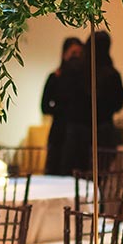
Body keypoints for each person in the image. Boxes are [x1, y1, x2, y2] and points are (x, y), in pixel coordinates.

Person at [58, 31, 123, 174]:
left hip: (76, 133)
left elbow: (64, 97)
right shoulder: (112, 74)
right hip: (102, 132)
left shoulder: (75, 69)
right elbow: (118, 104)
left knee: (73, 179)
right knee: (98, 177)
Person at [42, 36, 84, 175]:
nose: (76, 58)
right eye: (73, 54)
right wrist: (62, 109)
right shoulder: (55, 77)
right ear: (64, 54)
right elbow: (44, 106)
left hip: (78, 134)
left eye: (79, 54)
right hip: (60, 132)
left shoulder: (84, 79)